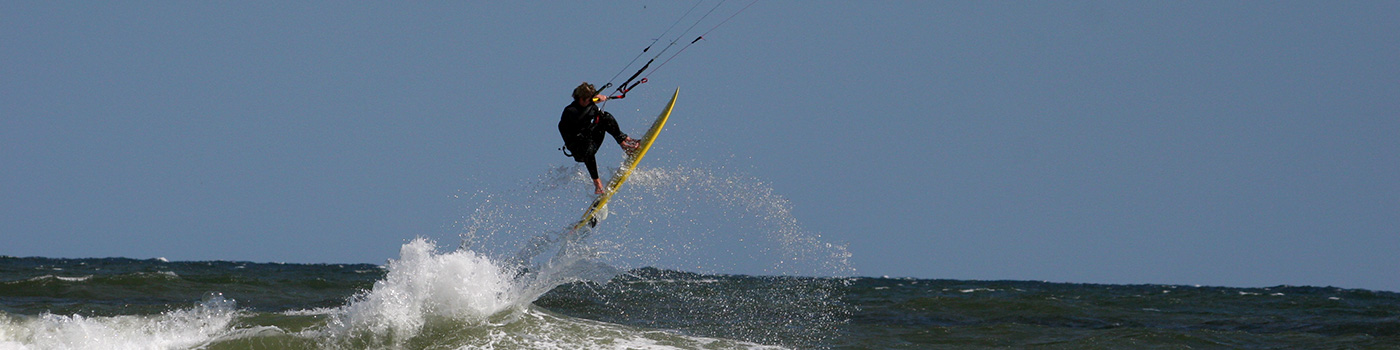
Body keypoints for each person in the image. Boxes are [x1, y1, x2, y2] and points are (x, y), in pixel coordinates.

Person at [559, 82, 640, 194]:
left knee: (605, 117)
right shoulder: (570, 111)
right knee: (586, 146)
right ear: (581, 99)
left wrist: (601, 99)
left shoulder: (588, 104)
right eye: (589, 99)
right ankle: (597, 184)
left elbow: (595, 112)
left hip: (591, 140)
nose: (592, 101)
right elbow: (582, 115)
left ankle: (625, 143)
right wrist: (596, 100)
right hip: (579, 149)